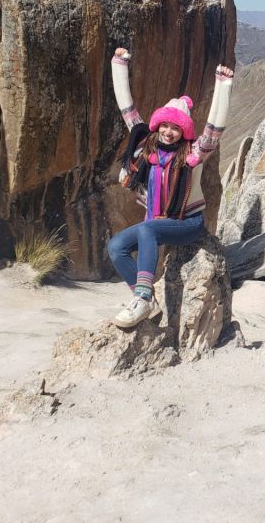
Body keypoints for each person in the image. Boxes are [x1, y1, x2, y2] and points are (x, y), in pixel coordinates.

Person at [106, 47, 233, 328]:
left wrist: (223, 86)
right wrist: (119, 65)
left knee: (149, 228)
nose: (168, 132)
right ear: (157, 125)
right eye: (164, 125)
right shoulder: (146, 147)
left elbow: (214, 131)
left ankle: (141, 296)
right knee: (116, 247)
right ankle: (145, 299)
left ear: (184, 132)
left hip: (187, 224)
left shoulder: (192, 155)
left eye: (175, 128)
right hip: (157, 223)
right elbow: (127, 110)